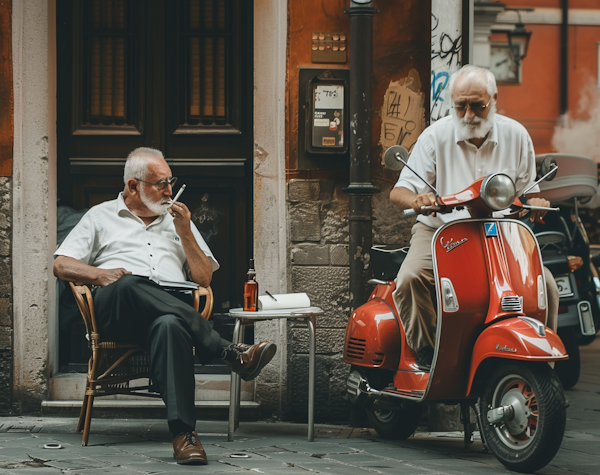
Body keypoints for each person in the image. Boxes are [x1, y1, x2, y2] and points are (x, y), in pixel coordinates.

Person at [54, 147, 276, 465]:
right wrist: (100, 274)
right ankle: (227, 350)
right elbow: (61, 265)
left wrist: (185, 231)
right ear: (133, 186)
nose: (169, 191)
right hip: (118, 308)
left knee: (170, 324)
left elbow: (203, 278)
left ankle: (184, 436)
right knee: (130, 283)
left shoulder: (176, 221)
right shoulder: (100, 217)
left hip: (170, 310)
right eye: (160, 183)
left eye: (170, 182)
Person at [390, 65, 559, 372]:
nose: (468, 114)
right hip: (442, 231)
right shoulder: (435, 137)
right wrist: (418, 200)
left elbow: (528, 190)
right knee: (410, 278)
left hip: (501, 232)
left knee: (545, 285)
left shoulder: (517, 135)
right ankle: (427, 355)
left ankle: (540, 362)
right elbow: (399, 191)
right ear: (452, 102)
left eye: (477, 105)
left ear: (494, 99)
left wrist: (536, 202)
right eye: (460, 106)